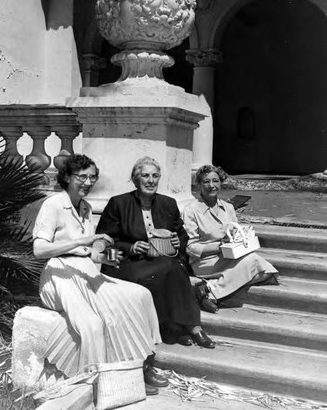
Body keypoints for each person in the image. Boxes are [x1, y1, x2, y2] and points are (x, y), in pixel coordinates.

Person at [33, 154, 167, 395]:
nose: (87, 182)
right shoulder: (53, 205)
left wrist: (104, 258)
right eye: (81, 177)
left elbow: (86, 252)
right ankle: (97, 385)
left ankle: (139, 366)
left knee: (140, 295)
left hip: (82, 271)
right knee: (93, 325)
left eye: (92, 177)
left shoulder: (85, 207)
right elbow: (39, 249)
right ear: (67, 177)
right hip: (58, 275)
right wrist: (86, 240)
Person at [96, 156, 215, 349]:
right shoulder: (118, 203)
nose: (151, 181)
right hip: (128, 262)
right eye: (145, 176)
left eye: (155, 176)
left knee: (174, 269)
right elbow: (104, 240)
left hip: (162, 258)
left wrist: (178, 242)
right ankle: (172, 329)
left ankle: (193, 327)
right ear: (136, 179)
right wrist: (130, 247)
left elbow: (182, 236)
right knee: (157, 274)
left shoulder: (168, 203)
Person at [182, 164, 279, 309]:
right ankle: (212, 293)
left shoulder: (228, 208)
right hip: (206, 261)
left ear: (221, 183)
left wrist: (239, 238)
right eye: (206, 182)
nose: (211, 185)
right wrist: (219, 247)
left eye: (215, 181)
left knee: (269, 273)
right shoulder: (191, 211)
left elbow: (234, 232)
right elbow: (191, 247)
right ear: (199, 185)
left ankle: (209, 286)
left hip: (230, 256)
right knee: (254, 263)